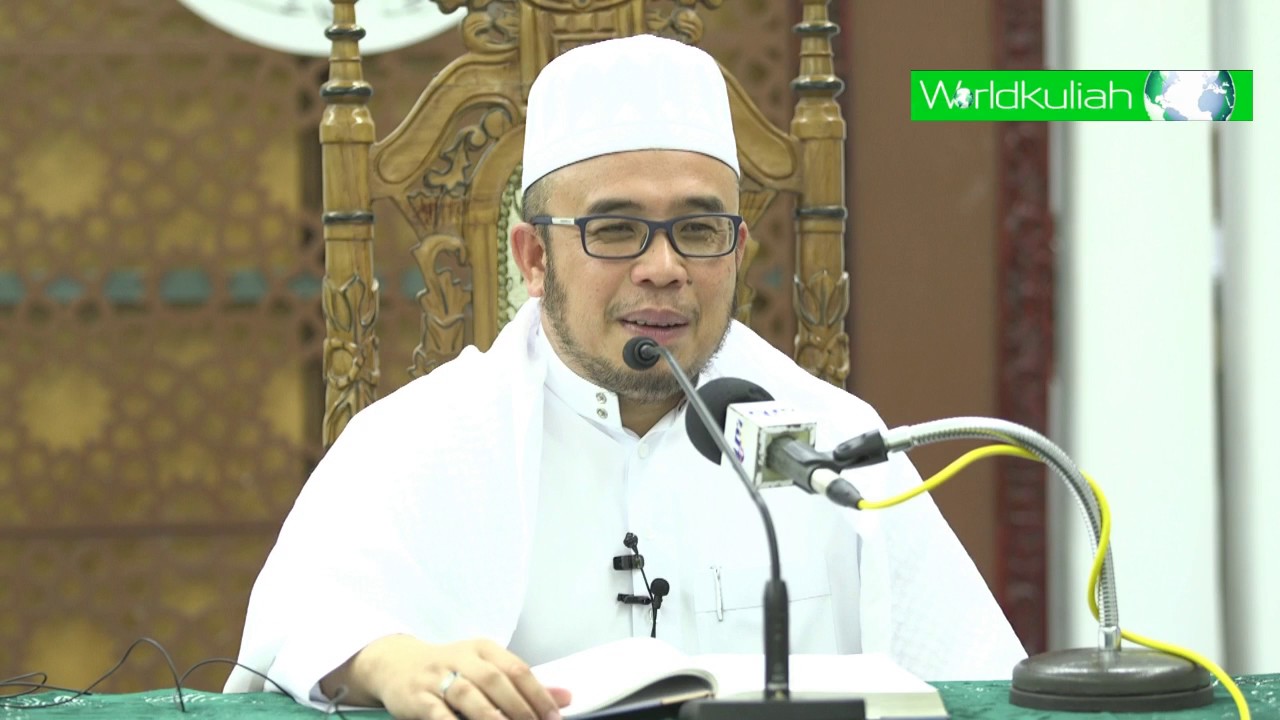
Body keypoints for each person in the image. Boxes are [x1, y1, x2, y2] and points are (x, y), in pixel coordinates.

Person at [225, 34, 1026, 720]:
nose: (664, 268)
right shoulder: (422, 442)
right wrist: (387, 660)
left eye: (698, 229)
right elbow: (299, 626)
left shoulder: (833, 446)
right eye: (615, 230)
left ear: (739, 252)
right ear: (534, 258)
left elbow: (976, 680)